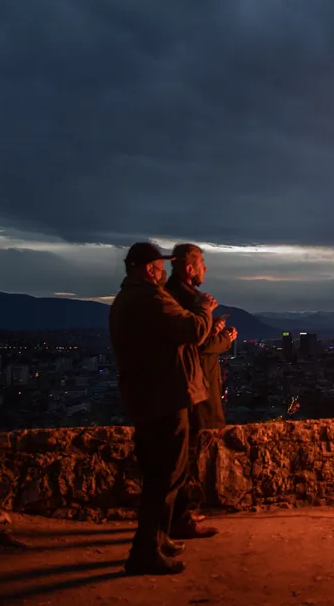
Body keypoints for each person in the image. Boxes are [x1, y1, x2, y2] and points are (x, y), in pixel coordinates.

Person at [109, 242, 217, 575]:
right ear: (146, 268)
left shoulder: (126, 300)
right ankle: (146, 551)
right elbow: (192, 330)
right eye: (157, 267)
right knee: (166, 475)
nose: (161, 272)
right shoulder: (151, 299)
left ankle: (158, 539)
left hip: (147, 396)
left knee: (161, 474)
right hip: (164, 397)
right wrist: (205, 310)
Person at [167, 243, 238, 537]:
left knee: (184, 454)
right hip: (193, 387)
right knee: (188, 455)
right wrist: (225, 339)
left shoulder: (172, 296)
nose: (205, 270)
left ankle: (179, 516)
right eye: (202, 264)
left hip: (184, 385)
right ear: (189, 268)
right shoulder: (189, 299)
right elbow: (202, 343)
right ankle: (183, 518)